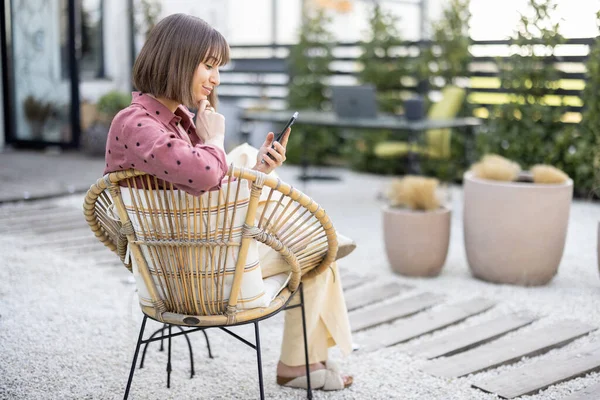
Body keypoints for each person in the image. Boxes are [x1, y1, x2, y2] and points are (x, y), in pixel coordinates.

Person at [104, 13, 354, 391]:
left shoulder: (170, 123)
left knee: (247, 162)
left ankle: (305, 359)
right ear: (176, 59)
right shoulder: (135, 122)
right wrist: (214, 139)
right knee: (320, 258)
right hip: (188, 275)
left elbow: (204, 197)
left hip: (205, 257)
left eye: (217, 67)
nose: (215, 79)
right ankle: (299, 364)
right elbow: (205, 176)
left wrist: (258, 170)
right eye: (208, 65)